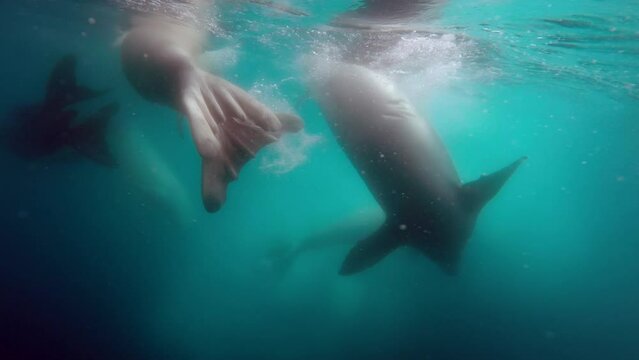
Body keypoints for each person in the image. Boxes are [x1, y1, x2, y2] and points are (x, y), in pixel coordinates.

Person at [119, 0, 302, 212]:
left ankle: (214, 108)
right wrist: (181, 68)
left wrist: (180, 68)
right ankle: (214, 107)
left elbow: (132, 40)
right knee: (190, 69)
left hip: (158, 51)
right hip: (165, 48)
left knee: (189, 69)